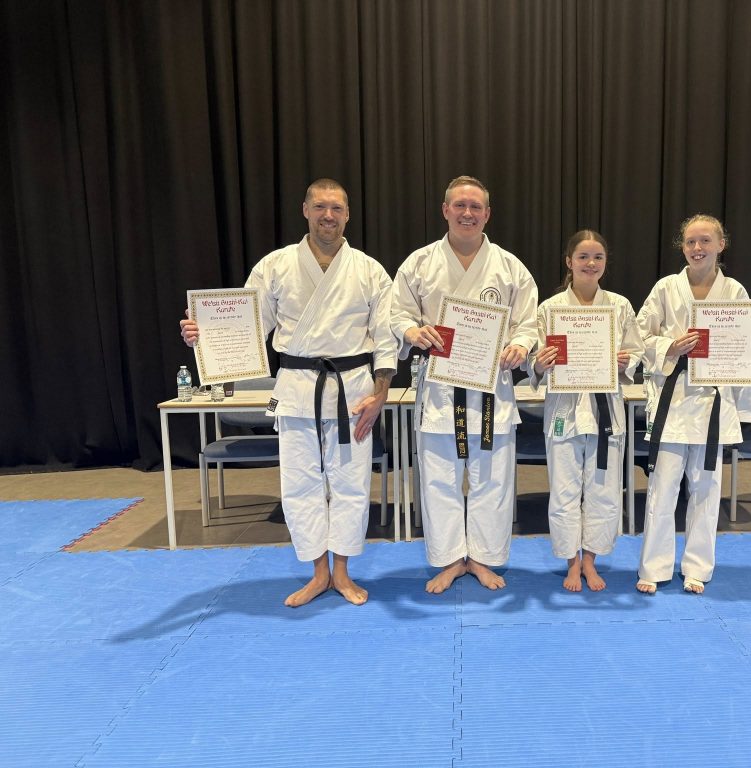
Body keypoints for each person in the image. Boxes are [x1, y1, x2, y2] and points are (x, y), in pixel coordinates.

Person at [180, 179, 397, 607]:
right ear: (305, 210)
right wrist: (204, 335)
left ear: (348, 215)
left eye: (336, 208)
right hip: (297, 389)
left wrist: (381, 393)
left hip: (353, 391)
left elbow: (385, 337)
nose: (328, 215)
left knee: (352, 485)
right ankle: (318, 573)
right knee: (300, 485)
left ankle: (342, 572)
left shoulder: (369, 270)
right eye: (320, 207)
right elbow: (248, 328)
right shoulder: (275, 265)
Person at [391, 176, 538, 594]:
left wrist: (521, 344)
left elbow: (529, 322)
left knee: (493, 481)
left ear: (487, 214)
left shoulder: (510, 267)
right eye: (459, 205)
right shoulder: (419, 263)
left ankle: (484, 559)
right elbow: (396, 313)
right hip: (440, 392)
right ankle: (451, 560)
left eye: (475, 207)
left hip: (492, 390)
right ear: (445, 210)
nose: (467, 213)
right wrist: (411, 331)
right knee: (439, 481)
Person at [635, 214, 751, 595]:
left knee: (706, 488)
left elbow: (746, 349)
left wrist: (743, 406)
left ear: (721, 245)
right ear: (682, 247)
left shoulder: (734, 292)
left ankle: (697, 568)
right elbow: (638, 335)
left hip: (712, 402)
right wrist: (669, 346)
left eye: (705, 240)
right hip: (673, 399)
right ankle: (654, 568)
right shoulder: (666, 288)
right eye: (690, 242)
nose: (697, 248)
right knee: (662, 487)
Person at [530, 230, 644, 591]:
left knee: (604, 491)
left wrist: (626, 361)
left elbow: (636, 351)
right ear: (569, 262)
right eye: (583, 257)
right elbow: (535, 360)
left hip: (606, 410)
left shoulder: (619, 307)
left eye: (598, 257)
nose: (590, 263)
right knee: (564, 492)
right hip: (564, 411)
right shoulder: (550, 309)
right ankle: (571, 562)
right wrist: (540, 364)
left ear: (605, 263)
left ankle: (591, 561)